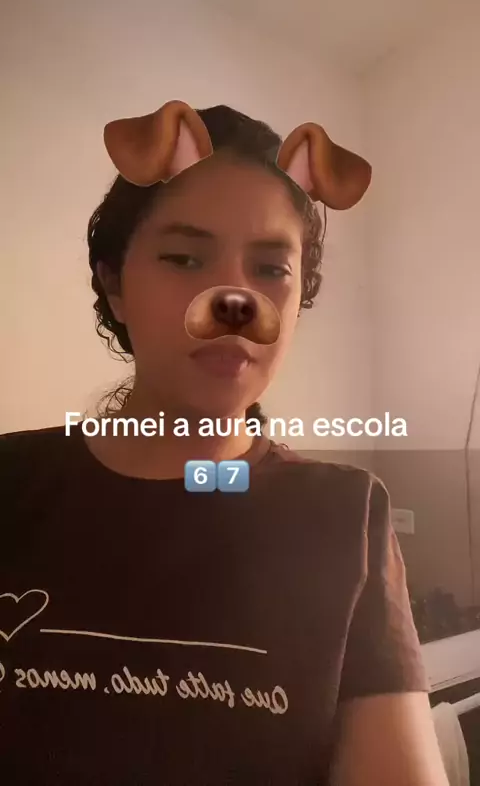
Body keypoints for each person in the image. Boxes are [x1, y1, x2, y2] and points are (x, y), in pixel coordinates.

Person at [0, 102, 448, 785]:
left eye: (271, 269)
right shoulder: (11, 484)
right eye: (184, 257)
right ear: (115, 284)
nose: (235, 298)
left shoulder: (347, 516)